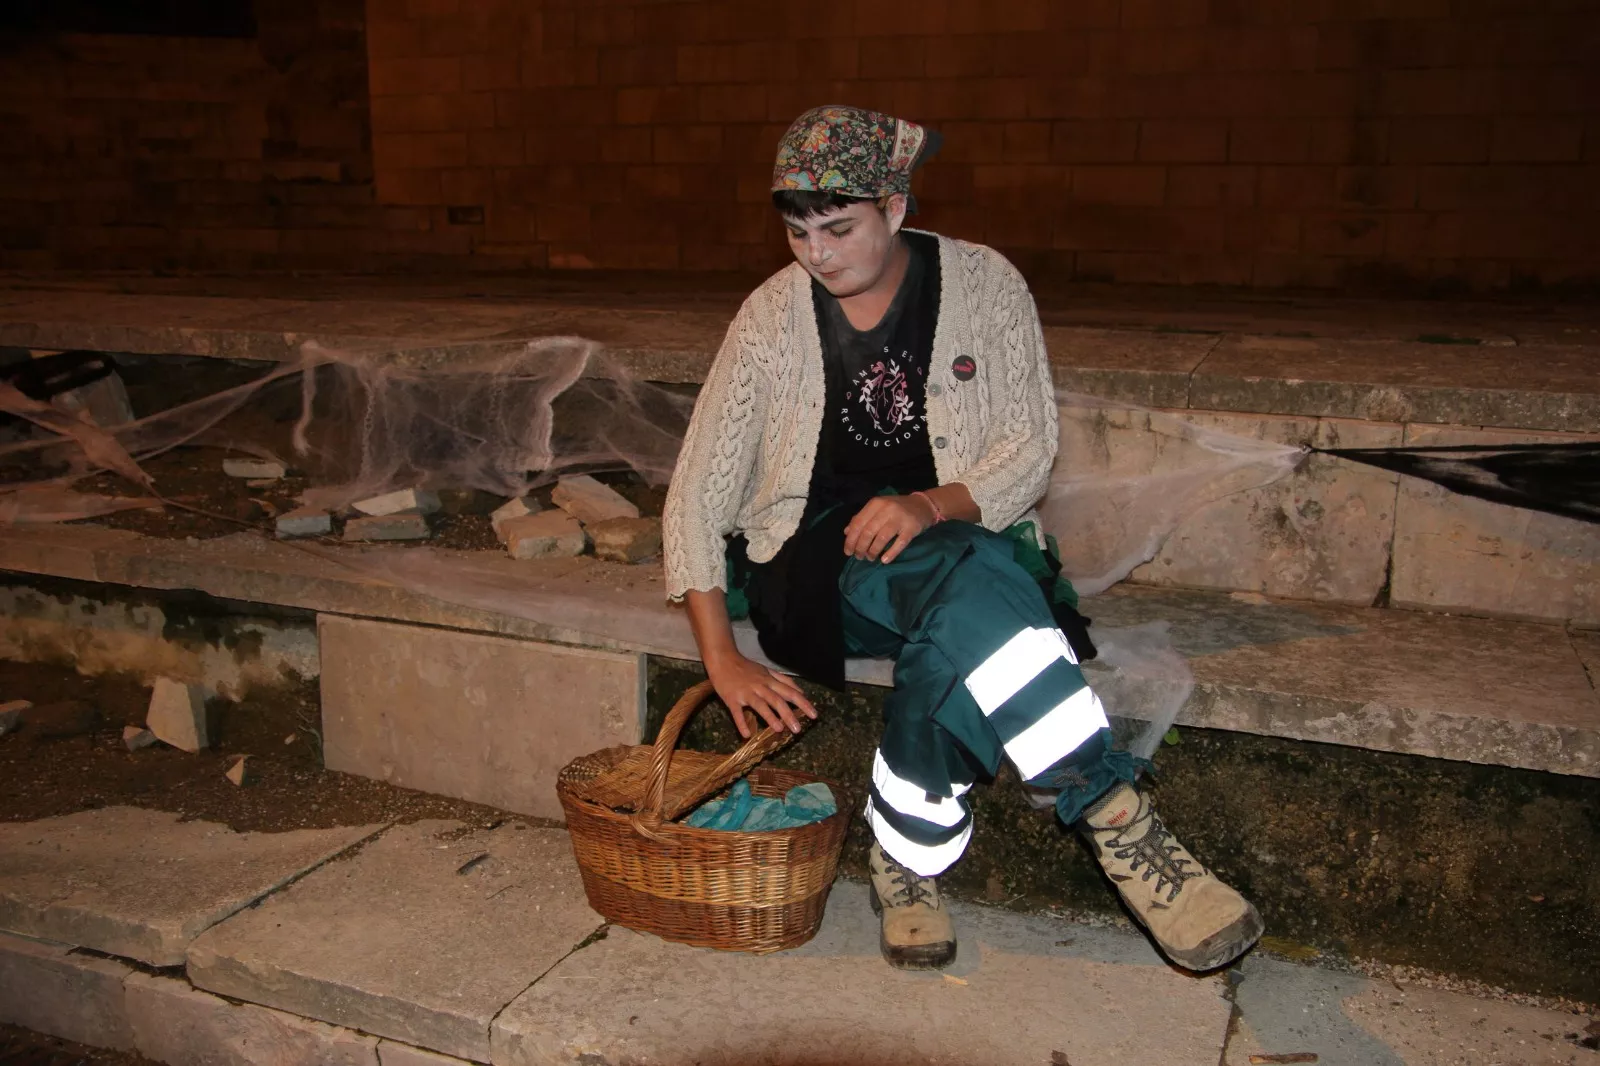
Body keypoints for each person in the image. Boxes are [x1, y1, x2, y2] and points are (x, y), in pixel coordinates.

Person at [662, 105, 1263, 972]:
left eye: (839, 228)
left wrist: (932, 504)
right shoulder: (770, 317)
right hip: (818, 571)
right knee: (984, 586)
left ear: (897, 207)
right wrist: (721, 657)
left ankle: (905, 855)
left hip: (956, 544)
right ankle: (1112, 814)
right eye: (799, 233)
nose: (817, 253)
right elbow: (699, 487)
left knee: (966, 598)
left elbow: (1030, 441)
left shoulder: (984, 286)